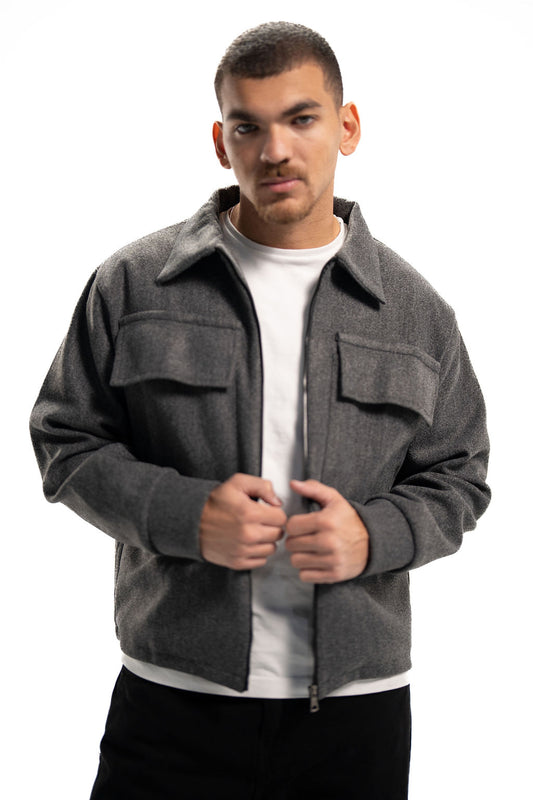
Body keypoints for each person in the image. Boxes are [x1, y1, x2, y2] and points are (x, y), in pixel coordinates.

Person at [30, 21, 490, 800]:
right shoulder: (134, 283)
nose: (275, 149)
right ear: (222, 142)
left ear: (347, 127)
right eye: (248, 126)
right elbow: (66, 440)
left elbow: (460, 478)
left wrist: (372, 536)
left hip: (355, 715)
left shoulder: (415, 312)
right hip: (171, 699)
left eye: (301, 118)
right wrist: (183, 515)